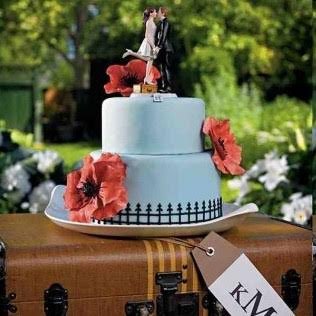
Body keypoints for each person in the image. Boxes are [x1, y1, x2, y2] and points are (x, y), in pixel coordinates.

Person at [122, 8, 157, 84]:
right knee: (149, 60)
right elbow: (147, 35)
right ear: (151, 13)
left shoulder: (151, 22)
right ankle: (146, 78)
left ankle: (146, 78)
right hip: (149, 42)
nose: (156, 13)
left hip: (151, 41)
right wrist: (153, 45)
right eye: (155, 12)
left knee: (149, 60)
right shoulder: (149, 22)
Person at [154, 7, 174, 92]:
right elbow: (160, 36)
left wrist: (158, 46)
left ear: (163, 13)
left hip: (166, 49)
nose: (157, 13)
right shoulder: (161, 23)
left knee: (166, 68)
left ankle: (168, 87)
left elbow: (164, 36)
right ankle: (164, 86)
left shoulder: (166, 23)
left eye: (159, 12)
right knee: (162, 67)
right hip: (162, 49)